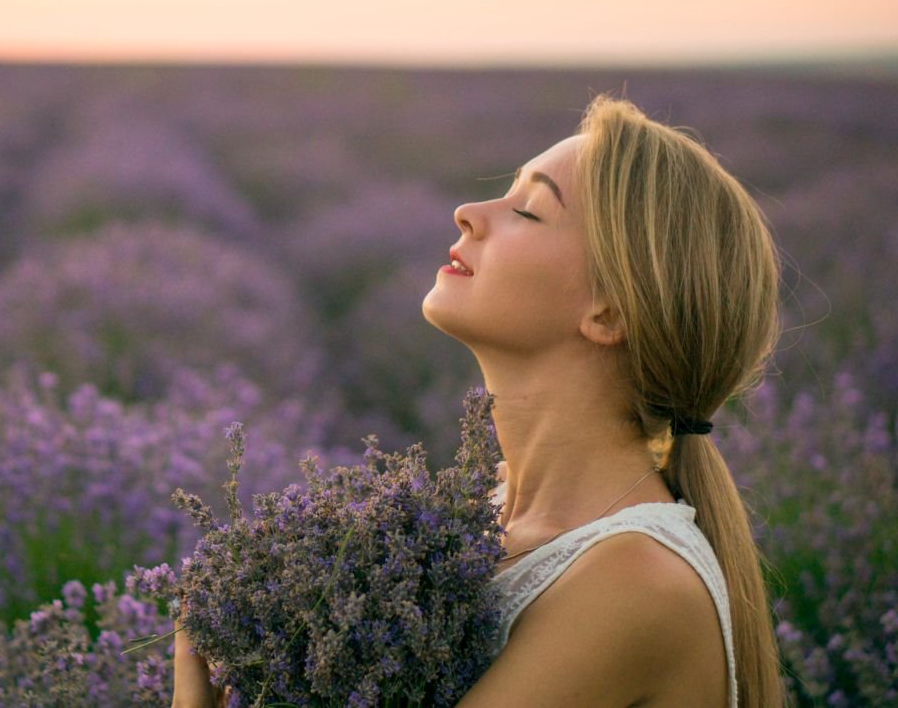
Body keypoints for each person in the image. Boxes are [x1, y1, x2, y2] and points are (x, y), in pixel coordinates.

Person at [172, 94, 787, 707]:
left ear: (610, 311)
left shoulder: (634, 581)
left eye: (528, 210)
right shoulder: (484, 510)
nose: (468, 212)